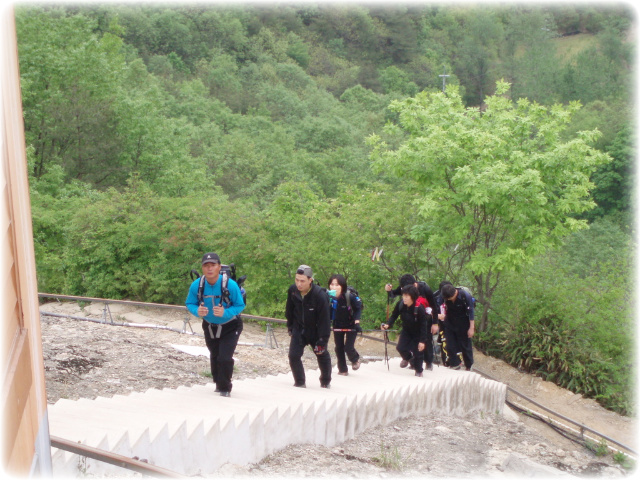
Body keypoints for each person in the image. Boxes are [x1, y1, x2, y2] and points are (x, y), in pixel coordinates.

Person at [186, 252, 245, 397]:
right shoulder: (197, 285)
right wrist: (197, 311)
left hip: (231, 325)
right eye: (206, 266)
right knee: (214, 355)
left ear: (219, 267)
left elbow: (240, 305)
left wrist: (225, 312)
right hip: (209, 325)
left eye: (213, 265)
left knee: (225, 357)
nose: (209, 269)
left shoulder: (230, 285)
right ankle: (218, 383)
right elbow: (189, 303)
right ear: (202, 268)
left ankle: (225, 388)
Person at [285, 265, 332, 388]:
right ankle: (300, 382)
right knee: (293, 356)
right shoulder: (293, 291)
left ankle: (325, 381)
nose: (299, 284)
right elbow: (289, 310)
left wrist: (323, 339)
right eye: (297, 280)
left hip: (316, 330)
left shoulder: (319, 295)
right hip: (299, 328)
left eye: (302, 281)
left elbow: (325, 320)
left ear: (310, 280)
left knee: (321, 354)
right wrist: (290, 326)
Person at [385, 274, 439, 370]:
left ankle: (428, 362)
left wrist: (435, 323)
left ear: (414, 284)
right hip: (410, 318)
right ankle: (411, 360)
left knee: (426, 339)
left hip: (425, 317)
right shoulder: (404, 289)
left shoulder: (425, 289)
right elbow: (393, 294)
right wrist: (389, 290)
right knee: (407, 343)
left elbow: (434, 306)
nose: (405, 293)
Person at [381, 285, 429, 376]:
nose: (404, 298)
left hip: (418, 333)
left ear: (413, 297)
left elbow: (423, 326)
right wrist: (388, 324)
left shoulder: (419, 308)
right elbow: (394, 315)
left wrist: (422, 341)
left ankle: (419, 371)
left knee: (418, 353)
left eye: (407, 296)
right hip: (406, 330)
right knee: (400, 348)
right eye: (403, 295)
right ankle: (410, 359)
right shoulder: (401, 304)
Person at [328, 274, 363, 376]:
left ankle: (355, 359)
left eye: (337, 285)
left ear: (342, 286)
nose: (334, 287)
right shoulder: (328, 297)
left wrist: (357, 322)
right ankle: (342, 369)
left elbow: (357, 309)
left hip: (351, 324)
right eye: (332, 284)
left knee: (348, 347)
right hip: (337, 324)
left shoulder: (349, 296)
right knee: (338, 347)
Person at [440, 283, 475, 370]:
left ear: (455, 293)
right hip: (450, 322)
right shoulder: (445, 296)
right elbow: (438, 304)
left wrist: (471, 328)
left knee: (465, 345)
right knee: (450, 344)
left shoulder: (465, 296)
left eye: (449, 298)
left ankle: (469, 365)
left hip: (463, 323)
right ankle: (454, 364)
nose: (447, 299)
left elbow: (471, 313)